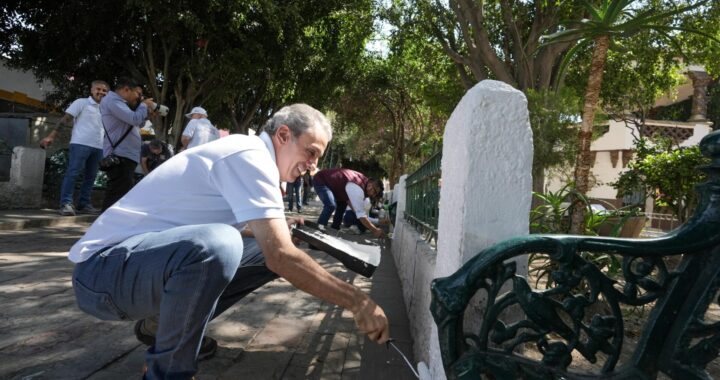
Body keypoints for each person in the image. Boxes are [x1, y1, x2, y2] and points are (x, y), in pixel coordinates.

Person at [68, 103, 389, 379]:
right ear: (283, 135)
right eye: (311, 152)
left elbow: (263, 246)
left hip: (135, 266)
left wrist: (278, 229)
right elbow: (281, 256)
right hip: (102, 273)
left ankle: (165, 326)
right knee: (224, 245)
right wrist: (358, 301)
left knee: (257, 250)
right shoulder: (250, 156)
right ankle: (168, 371)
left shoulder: (255, 159)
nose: (314, 165)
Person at [40, 80, 109, 216]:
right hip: (80, 144)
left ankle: (84, 204)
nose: (101, 92)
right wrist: (51, 136)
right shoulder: (81, 102)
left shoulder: (107, 109)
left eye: (104, 90)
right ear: (91, 90)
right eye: (98, 89)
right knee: (73, 173)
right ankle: (65, 203)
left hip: (99, 147)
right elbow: (64, 120)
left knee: (91, 177)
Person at [100, 77, 158, 211]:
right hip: (120, 155)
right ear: (126, 89)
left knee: (120, 193)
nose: (139, 98)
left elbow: (137, 122)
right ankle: (105, 227)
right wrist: (144, 105)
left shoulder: (120, 103)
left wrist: (147, 115)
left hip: (126, 155)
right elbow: (134, 119)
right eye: (138, 94)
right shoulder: (112, 100)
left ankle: (109, 226)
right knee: (116, 194)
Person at [312, 168, 385, 238]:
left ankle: (334, 230)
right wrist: (375, 230)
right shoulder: (358, 188)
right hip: (322, 180)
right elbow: (361, 215)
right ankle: (317, 233)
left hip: (337, 189)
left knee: (342, 205)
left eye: (375, 193)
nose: (372, 194)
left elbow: (353, 206)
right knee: (331, 205)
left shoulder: (363, 182)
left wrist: (357, 212)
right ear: (370, 183)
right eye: (374, 191)